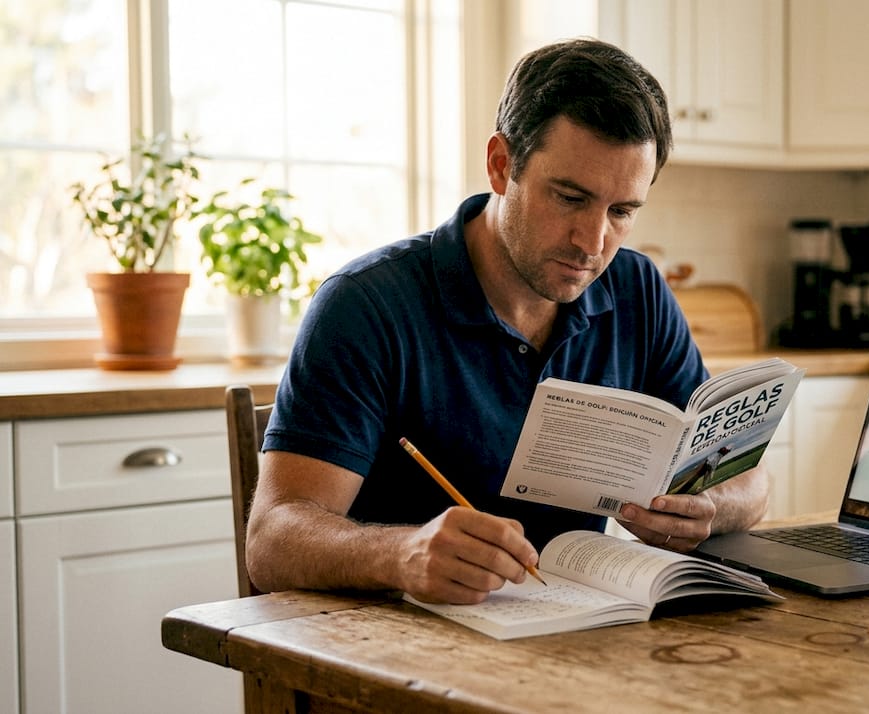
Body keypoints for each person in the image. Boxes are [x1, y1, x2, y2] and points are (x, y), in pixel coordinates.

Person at [245, 38, 770, 606]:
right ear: (501, 165)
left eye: (621, 212)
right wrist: (401, 554)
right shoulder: (365, 306)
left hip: (577, 636)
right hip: (401, 647)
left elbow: (747, 481)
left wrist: (709, 509)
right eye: (570, 198)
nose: (592, 244)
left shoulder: (637, 290)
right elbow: (271, 541)